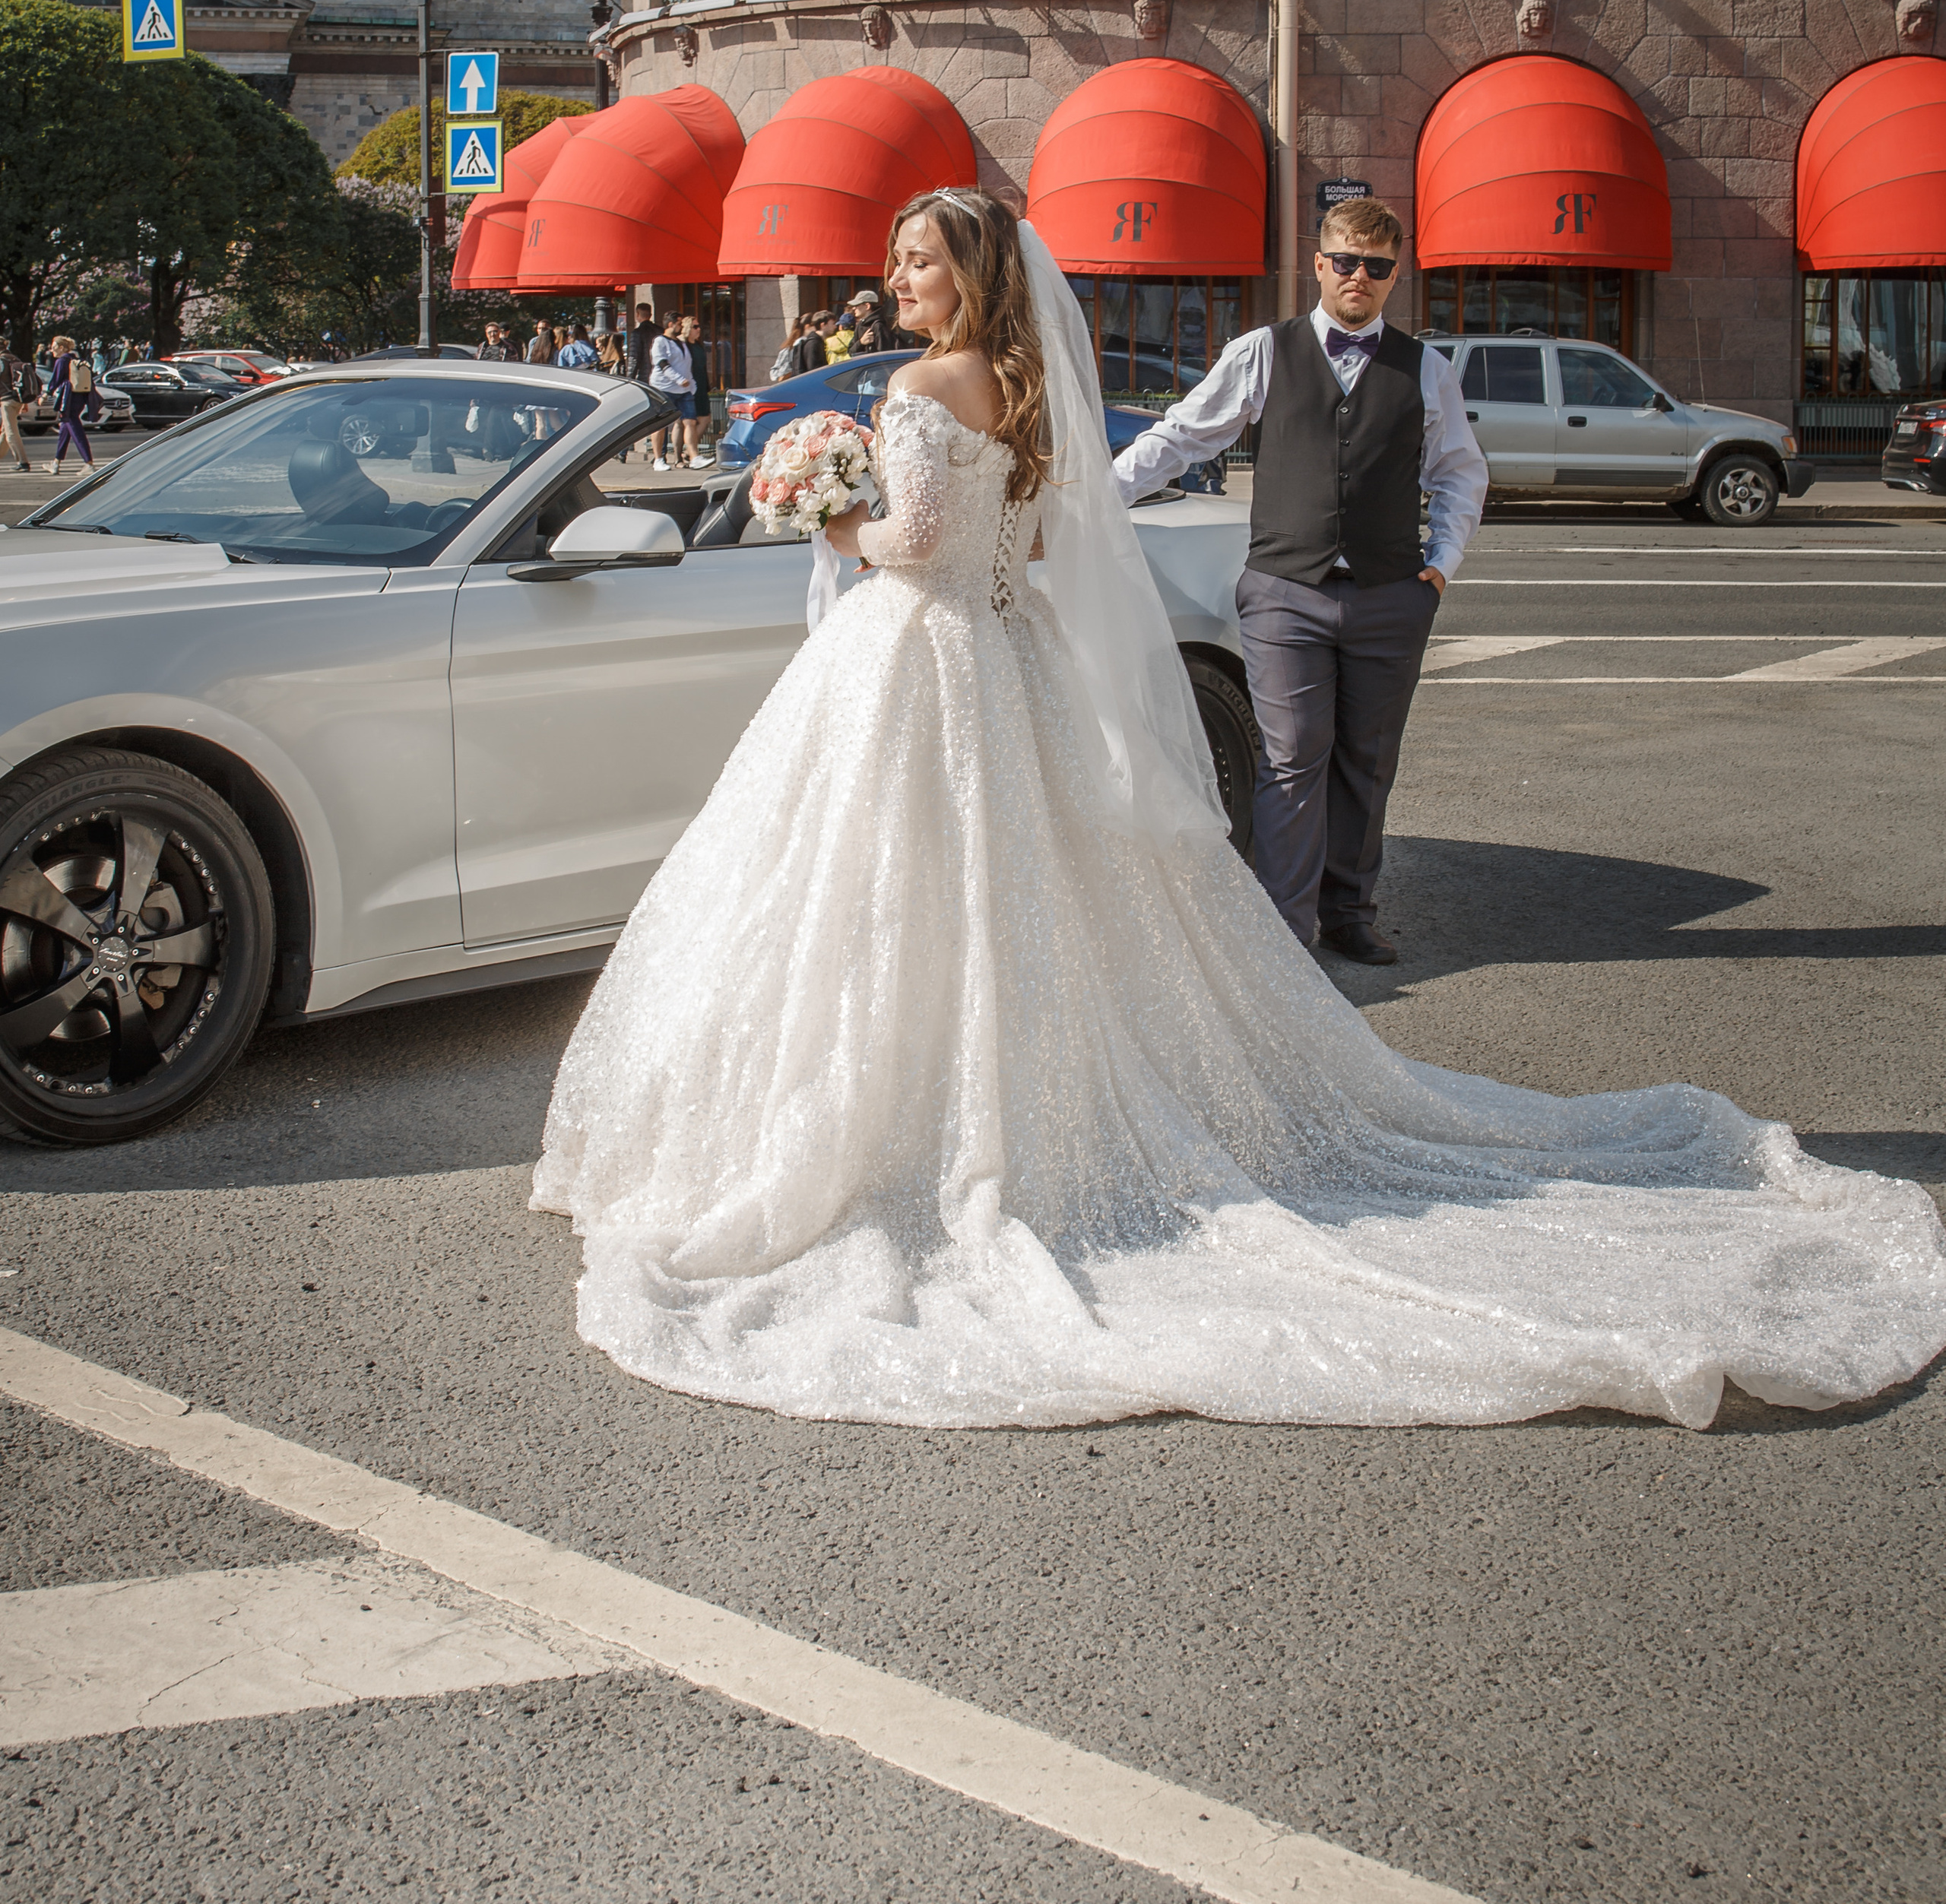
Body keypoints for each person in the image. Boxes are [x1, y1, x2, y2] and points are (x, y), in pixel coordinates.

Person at [531, 185, 1946, 1434]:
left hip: (918, 661)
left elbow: (911, 546)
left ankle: (914, 1133)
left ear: (966, 274)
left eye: (917, 262)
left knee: (885, 895)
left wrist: (820, 508)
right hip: (1000, 660)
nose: (896, 280)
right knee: (1006, 895)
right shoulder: (1017, 385)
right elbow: (1025, 537)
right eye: (897, 262)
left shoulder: (927, 387)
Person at [1113, 197, 1487, 969]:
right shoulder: (1264, 351)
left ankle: (1349, 912)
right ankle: (1284, 928)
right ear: (1317, 264)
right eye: (1345, 261)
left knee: (1367, 759)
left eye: (1376, 267)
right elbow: (1183, 434)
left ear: (1394, 276)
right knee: (1292, 758)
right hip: (1285, 591)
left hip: (1389, 594)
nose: (1359, 277)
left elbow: (1459, 475)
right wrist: (1093, 497)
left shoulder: (1427, 369)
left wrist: (1438, 571)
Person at [648, 315, 694, 472]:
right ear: (670, 324)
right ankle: (659, 458)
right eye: (679, 324)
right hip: (664, 387)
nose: (681, 327)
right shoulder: (660, 341)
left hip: (683, 389)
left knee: (689, 421)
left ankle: (694, 456)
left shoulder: (681, 343)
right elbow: (661, 363)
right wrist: (679, 379)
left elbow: (686, 365)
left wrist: (690, 385)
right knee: (661, 425)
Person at [43, 336, 93, 474]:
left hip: (68, 399)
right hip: (79, 398)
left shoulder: (62, 361)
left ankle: (88, 462)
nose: (51, 350)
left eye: (53, 347)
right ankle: (56, 463)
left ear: (61, 348)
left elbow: (56, 380)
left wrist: (46, 394)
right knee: (65, 429)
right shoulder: (76, 359)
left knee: (76, 430)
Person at [680, 313, 711, 466]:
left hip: (701, 384)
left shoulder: (698, 345)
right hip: (689, 386)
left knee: (705, 418)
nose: (698, 330)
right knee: (689, 421)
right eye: (695, 327)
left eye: (699, 327)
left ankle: (688, 451)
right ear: (687, 328)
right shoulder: (684, 345)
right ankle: (690, 454)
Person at [0, 343, 28, 471]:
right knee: (6, 430)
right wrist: (25, 402)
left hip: (7, 401)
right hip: (18, 399)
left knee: (11, 433)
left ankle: (23, 462)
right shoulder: (14, 358)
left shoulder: (1, 361)